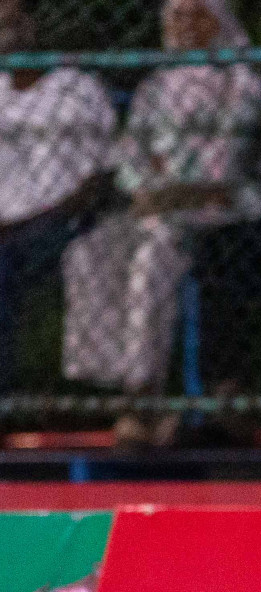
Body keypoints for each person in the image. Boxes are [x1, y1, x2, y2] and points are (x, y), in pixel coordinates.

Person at [61, 0, 261, 446]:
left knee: (153, 254)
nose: (183, 25)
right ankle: (119, 381)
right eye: (175, 15)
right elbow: (131, 159)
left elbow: (223, 170)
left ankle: (141, 397)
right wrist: (149, 188)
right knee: (91, 251)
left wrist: (169, 185)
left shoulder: (242, 83)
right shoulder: (155, 87)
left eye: (195, 14)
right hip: (157, 205)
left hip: (224, 209)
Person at [0, 0, 115, 392]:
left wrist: (33, 221)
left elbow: (96, 179)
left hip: (60, 222)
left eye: (13, 22)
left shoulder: (75, 87)